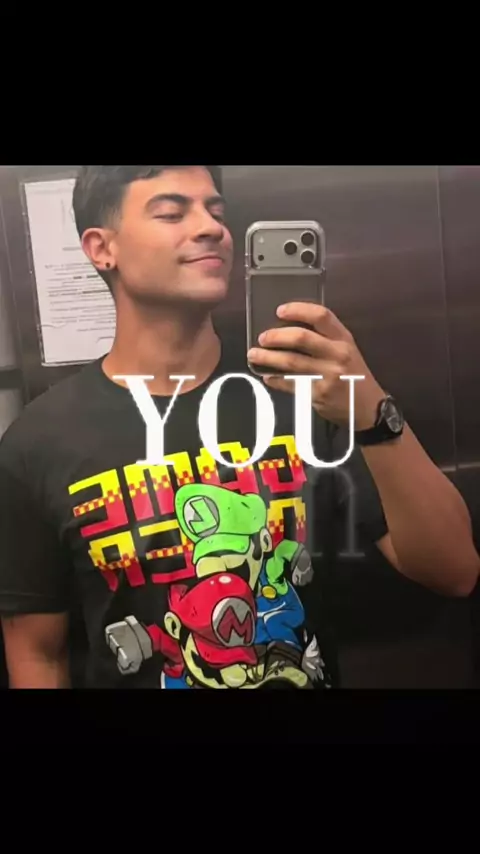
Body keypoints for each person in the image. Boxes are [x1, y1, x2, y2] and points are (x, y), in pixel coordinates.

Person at [0, 165, 478, 690]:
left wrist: (368, 404)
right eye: (172, 212)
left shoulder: (305, 393)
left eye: (216, 211)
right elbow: (37, 656)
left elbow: (455, 569)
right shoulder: (37, 444)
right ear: (101, 248)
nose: (211, 228)